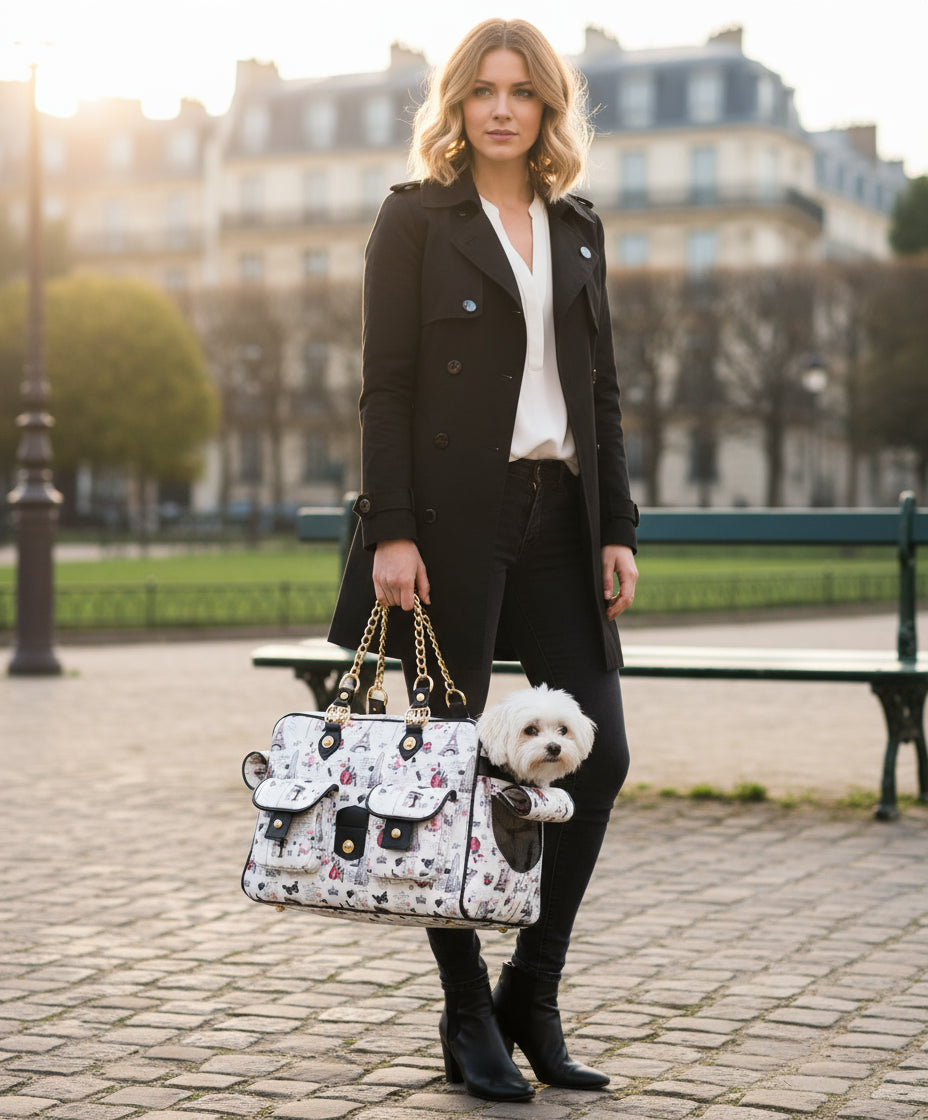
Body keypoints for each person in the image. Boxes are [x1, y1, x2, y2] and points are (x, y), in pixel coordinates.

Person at [329, 17, 639, 1103]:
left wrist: (617, 526)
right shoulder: (413, 222)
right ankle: (465, 1013)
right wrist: (392, 529)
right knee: (448, 770)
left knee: (596, 759)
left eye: (522, 92)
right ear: (455, 107)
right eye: (481, 91)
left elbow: (598, 393)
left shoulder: (578, 226)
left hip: (561, 518)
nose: (501, 108)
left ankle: (531, 993)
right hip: (448, 527)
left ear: (548, 108)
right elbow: (386, 386)